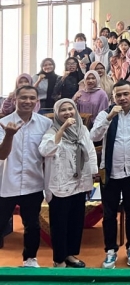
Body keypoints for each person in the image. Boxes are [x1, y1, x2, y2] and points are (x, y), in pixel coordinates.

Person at [90, 81, 130, 269]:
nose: (122, 98)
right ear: (113, 97)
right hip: (111, 172)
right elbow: (94, 137)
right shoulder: (104, 114)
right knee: (109, 214)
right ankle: (110, 250)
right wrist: (109, 118)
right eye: (118, 95)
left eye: (125, 94)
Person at [39, 98, 98, 268]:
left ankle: (70, 255)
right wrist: (63, 128)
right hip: (60, 185)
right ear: (57, 114)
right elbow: (45, 150)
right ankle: (59, 259)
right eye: (63, 110)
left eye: (70, 109)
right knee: (59, 224)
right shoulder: (52, 131)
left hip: (79, 183)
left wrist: (93, 173)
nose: (67, 113)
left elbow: (90, 151)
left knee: (75, 222)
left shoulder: (83, 130)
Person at [0, 83, 52, 266]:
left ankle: (30, 259)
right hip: (6, 183)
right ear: (15, 99)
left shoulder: (46, 124)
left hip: (33, 183)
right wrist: (9, 135)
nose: (27, 101)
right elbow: (1, 155)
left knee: (32, 225)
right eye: (23, 97)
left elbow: (49, 152)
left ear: (37, 101)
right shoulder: (4, 122)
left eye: (32, 98)